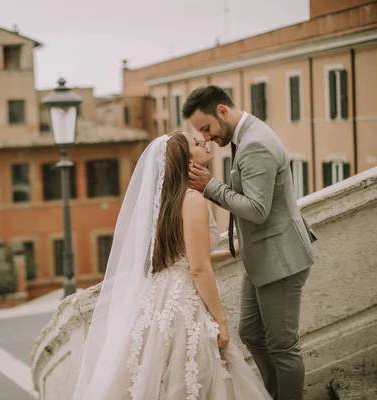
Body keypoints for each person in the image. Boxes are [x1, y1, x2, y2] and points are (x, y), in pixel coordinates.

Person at [72, 132, 271, 400]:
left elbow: (181, 258)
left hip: (157, 298)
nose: (205, 142)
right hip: (183, 302)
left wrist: (231, 253)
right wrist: (222, 321)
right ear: (187, 161)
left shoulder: (166, 203)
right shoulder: (192, 200)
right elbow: (198, 268)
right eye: (197, 144)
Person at [183, 85, 317, 400]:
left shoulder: (256, 144)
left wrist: (210, 187)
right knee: (252, 334)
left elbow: (257, 210)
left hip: (280, 260)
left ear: (222, 111)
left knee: (284, 347)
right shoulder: (245, 136)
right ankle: (274, 393)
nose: (207, 137)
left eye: (206, 128)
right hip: (261, 258)